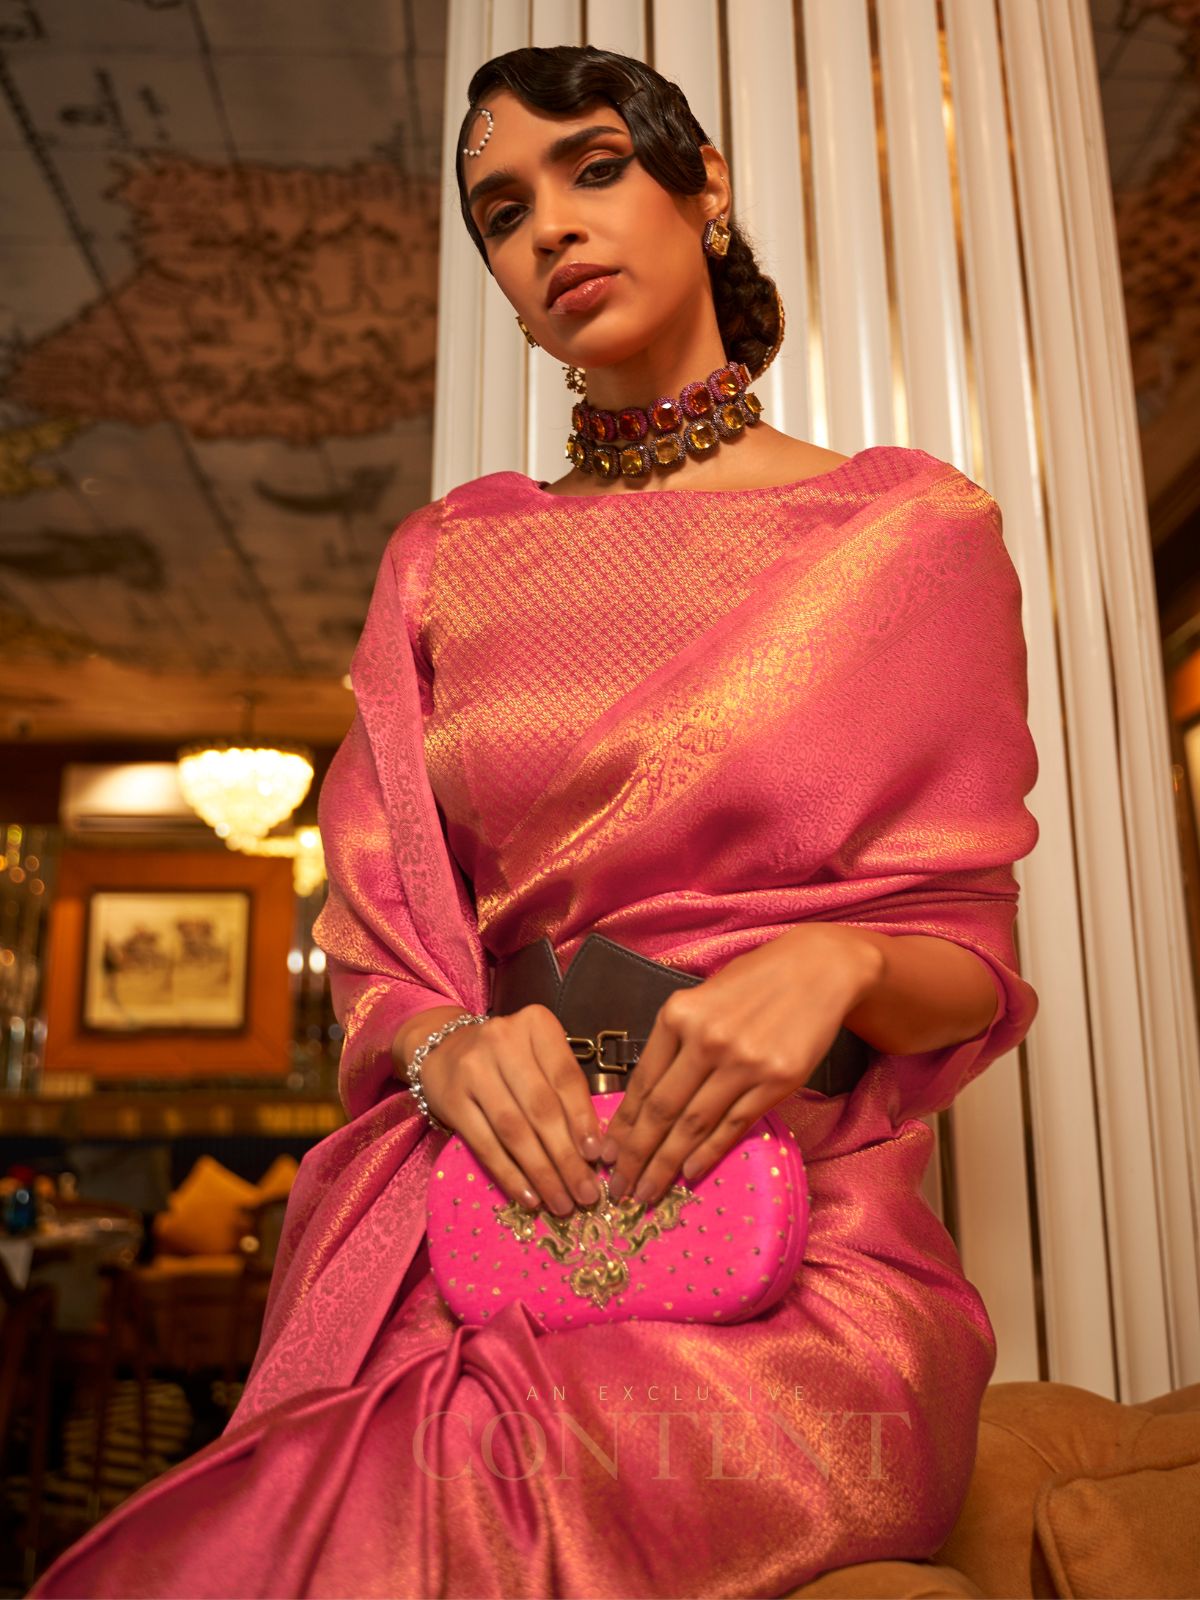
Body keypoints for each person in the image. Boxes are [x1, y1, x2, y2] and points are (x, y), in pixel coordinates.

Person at [29, 43, 1040, 1600]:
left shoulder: (909, 536)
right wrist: (443, 1045)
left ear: (706, 189)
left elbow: (970, 957)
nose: (551, 226)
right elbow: (381, 935)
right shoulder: (447, 562)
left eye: (595, 167)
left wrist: (839, 962)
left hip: (800, 1275)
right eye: (503, 211)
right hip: (490, 1226)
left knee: (400, 1509)